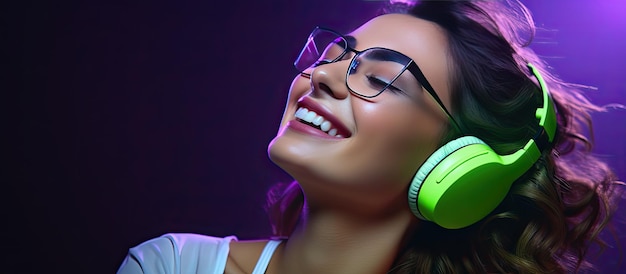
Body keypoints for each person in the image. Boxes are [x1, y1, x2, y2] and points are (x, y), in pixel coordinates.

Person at [117, 0, 622, 273]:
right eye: (333, 55)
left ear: (459, 164)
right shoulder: (172, 265)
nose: (323, 75)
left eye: (380, 79)